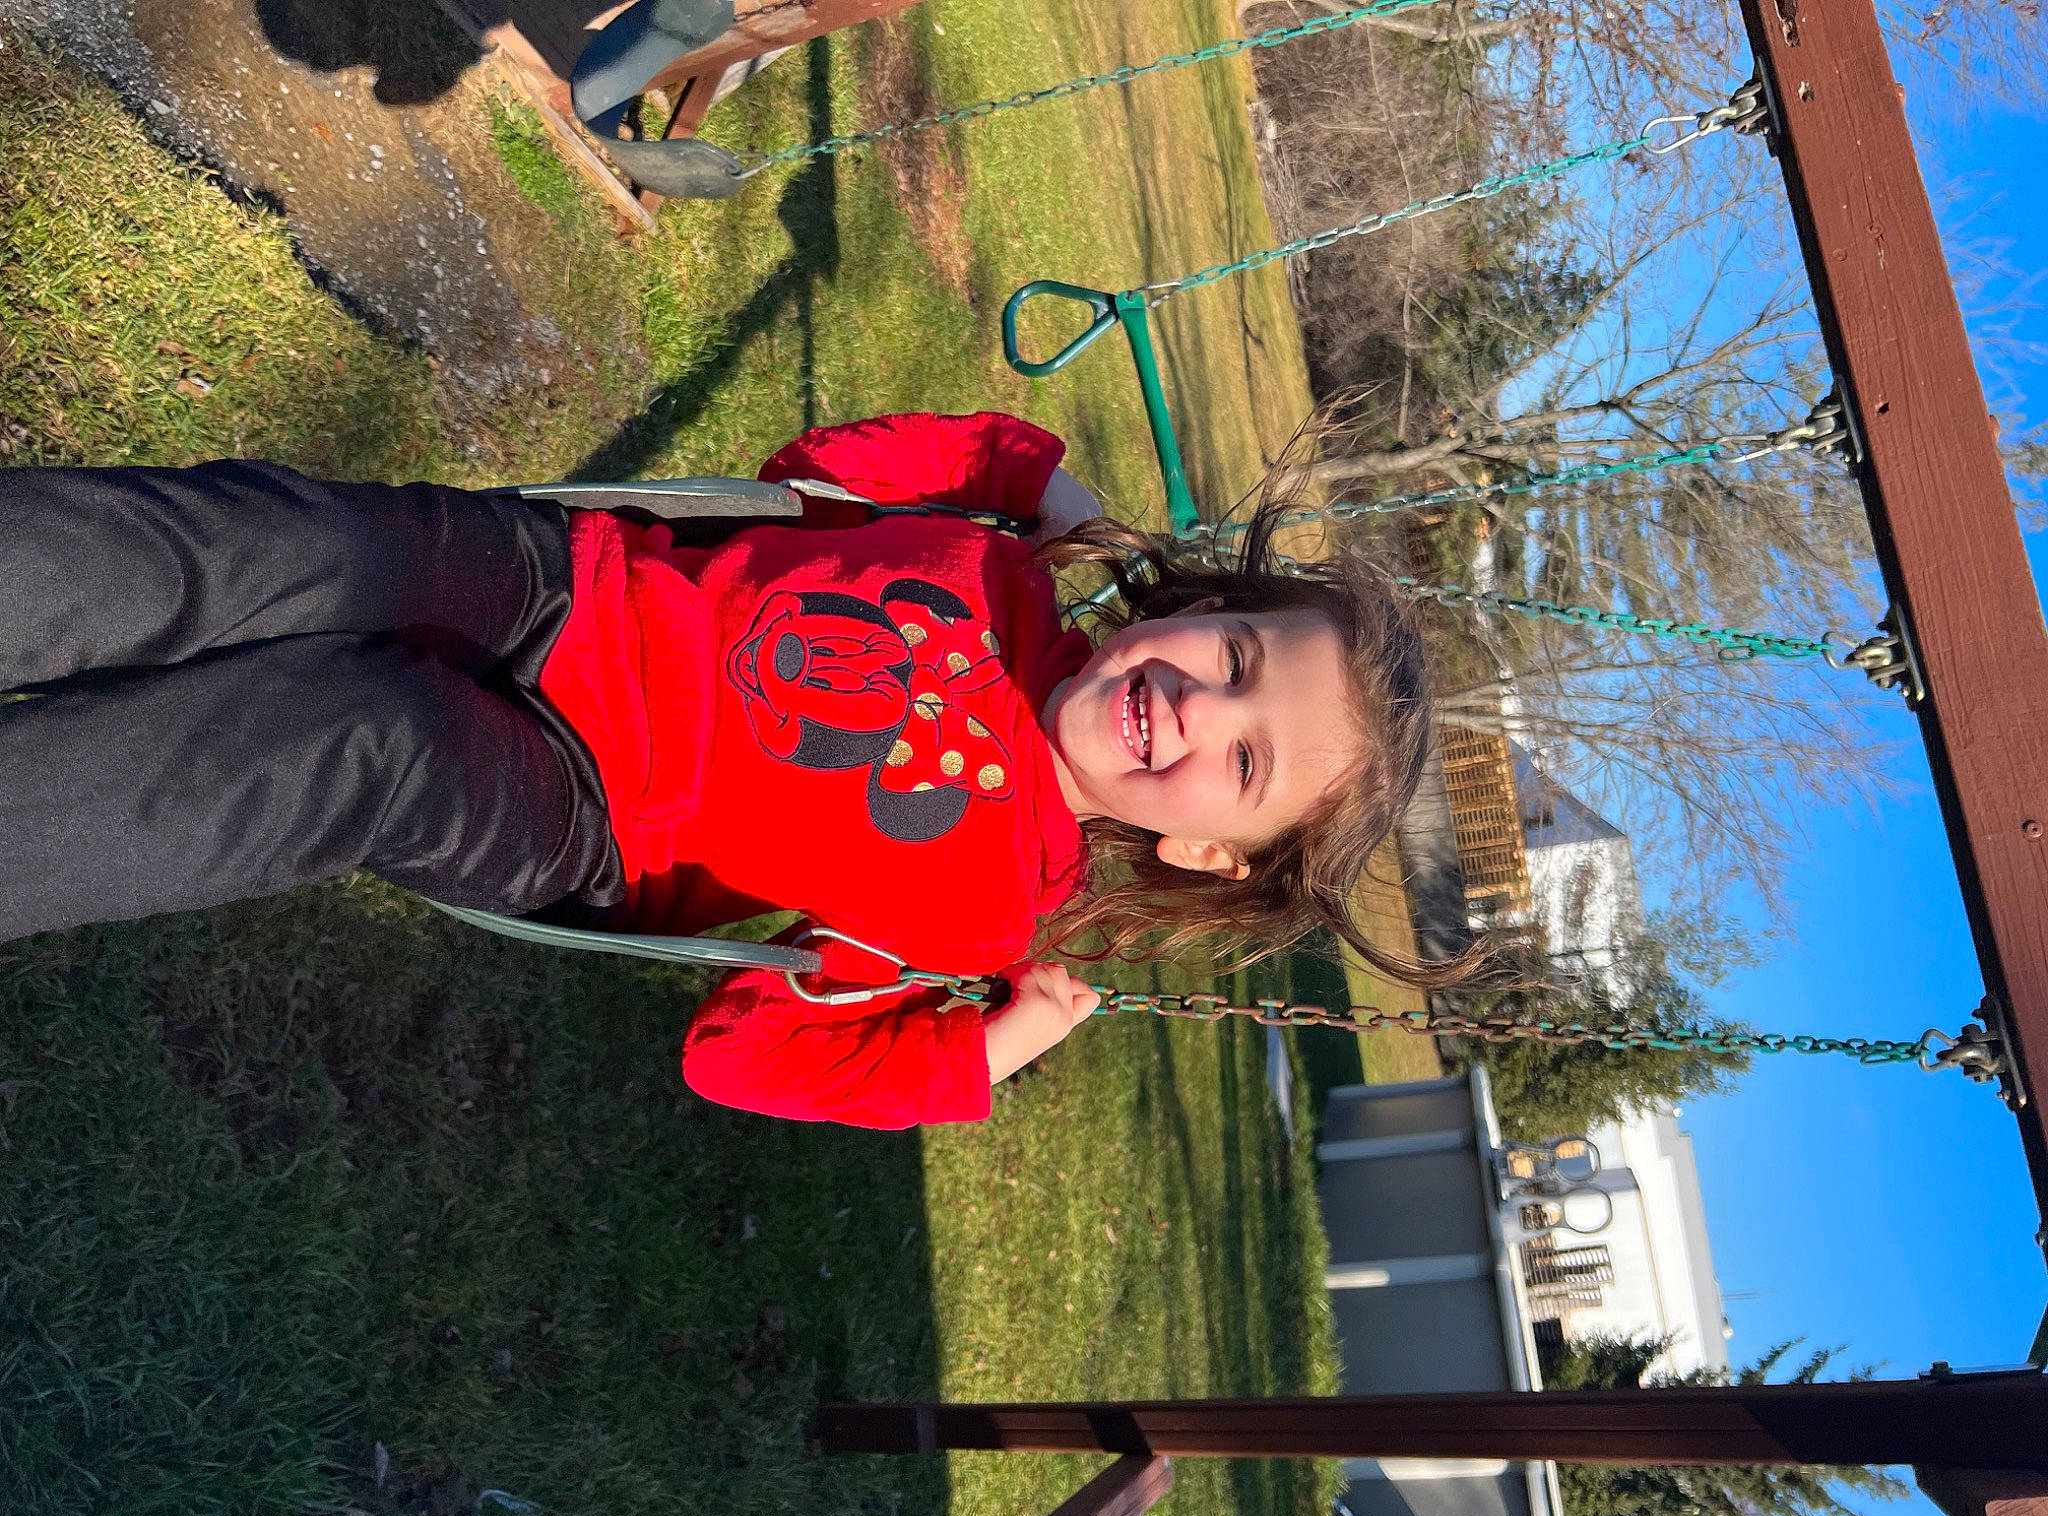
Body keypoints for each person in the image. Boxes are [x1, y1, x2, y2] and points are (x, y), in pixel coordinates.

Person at [0, 412, 1445, 1129]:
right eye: (1234, 652)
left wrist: (991, 1043)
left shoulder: (980, 916)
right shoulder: (996, 566)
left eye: (1243, 761)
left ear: (1207, 854)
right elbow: (815, 462)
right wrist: (1041, 486)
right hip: (567, 583)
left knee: (354, 738)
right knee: (289, 545)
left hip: (575, 811)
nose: (1196, 705)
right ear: (1193, 607)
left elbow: (741, 1052)